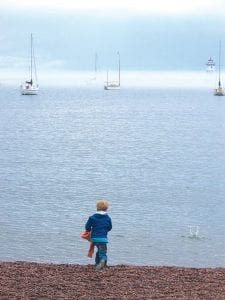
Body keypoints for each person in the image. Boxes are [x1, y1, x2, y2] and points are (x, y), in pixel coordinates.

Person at [85, 200, 112, 270]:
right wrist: (105, 230)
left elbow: (87, 227)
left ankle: (97, 263)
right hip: (103, 238)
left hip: (94, 238)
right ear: (106, 208)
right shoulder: (107, 218)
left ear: (97, 207)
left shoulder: (92, 217)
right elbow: (110, 227)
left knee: (99, 250)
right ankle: (103, 262)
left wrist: (88, 231)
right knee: (103, 252)